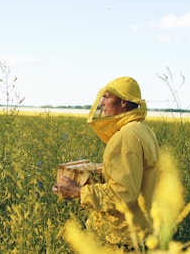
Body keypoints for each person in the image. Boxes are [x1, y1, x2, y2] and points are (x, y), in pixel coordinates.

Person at [53, 76, 160, 249]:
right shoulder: (143, 130)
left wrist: (79, 192)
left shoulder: (126, 136)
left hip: (121, 238)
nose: (102, 103)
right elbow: (137, 178)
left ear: (123, 102)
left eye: (107, 97)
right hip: (141, 234)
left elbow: (122, 194)